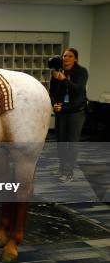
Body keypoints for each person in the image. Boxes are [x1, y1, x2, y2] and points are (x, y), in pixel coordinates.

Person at [49, 48, 88, 182]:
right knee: (60, 142)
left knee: (72, 143)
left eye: (70, 56)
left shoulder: (81, 72)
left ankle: (68, 171)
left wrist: (64, 79)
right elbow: (52, 92)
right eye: (64, 56)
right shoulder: (57, 72)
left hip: (76, 111)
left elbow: (78, 90)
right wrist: (54, 104)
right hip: (62, 112)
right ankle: (61, 168)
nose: (66, 58)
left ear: (75, 59)